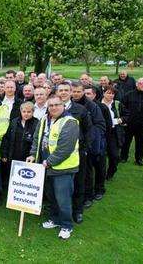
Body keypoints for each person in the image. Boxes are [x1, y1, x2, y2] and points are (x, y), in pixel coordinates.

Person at [27, 96, 80, 240]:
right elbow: (37, 139)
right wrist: (33, 154)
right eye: (51, 105)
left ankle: (66, 226)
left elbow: (65, 149)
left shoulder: (70, 122)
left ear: (64, 106)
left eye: (57, 105)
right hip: (45, 167)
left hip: (63, 168)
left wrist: (48, 162)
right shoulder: (45, 119)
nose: (54, 107)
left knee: (63, 199)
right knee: (51, 197)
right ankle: (55, 220)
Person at [57, 82, 92, 224]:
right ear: (57, 92)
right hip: (57, 153)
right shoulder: (52, 108)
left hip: (77, 153)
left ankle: (77, 211)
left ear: (71, 92)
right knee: (59, 184)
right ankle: (59, 210)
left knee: (78, 182)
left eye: (66, 90)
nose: (63, 93)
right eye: (61, 90)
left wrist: (84, 150)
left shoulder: (81, 109)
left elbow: (88, 131)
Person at [71, 82, 106, 209]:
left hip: (86, 145)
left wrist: (89, 144)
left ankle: (88, 196)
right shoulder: (68, 105)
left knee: (86, 173)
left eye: (78, 91)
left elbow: (99, 125)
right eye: (73, 91)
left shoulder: (92, 106)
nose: (76, 94)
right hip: (71, 145)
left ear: (83, 91)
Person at [119, 78, 143, 166]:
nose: (142, 85)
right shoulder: (129, 94)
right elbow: (122, 106)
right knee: (126, 141)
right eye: (140, 83)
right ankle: (123, 157)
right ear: (136, 84)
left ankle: (139, 159)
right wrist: (124, 119)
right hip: (130, 123)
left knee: (141, 142)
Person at [1, 102, 38, 166]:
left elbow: (37, 142)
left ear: (33, 112)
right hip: (13, 157)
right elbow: (6, 138)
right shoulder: (14, 122)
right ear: (21, 111)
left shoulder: (37, 123)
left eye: (29, 112)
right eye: (24, 111)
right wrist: (4, 154)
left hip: (28, 159)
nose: (26, 114)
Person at [101, 86, 124, 179]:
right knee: (100, 155)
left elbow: (126, 115)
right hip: (102, 133)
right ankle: (100, 175)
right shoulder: (97, 104)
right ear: (103, 93)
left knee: (114, 156)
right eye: (108, 93)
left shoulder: (117, 104)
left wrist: (119, 120)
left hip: (113, 133)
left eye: (112, 93)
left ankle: (110, 172)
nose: (110, 95)